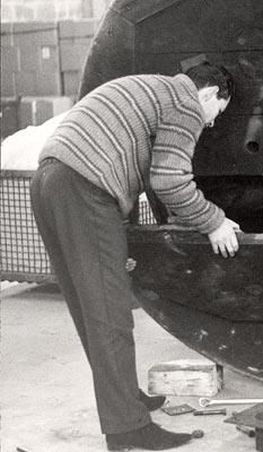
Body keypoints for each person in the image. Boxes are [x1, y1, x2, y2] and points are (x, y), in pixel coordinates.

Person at [30, 62, 239, 451]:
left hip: (48, 180)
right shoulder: (186, 103)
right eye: (217, 115)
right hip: (85, 188)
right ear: (209, 95)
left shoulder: (151, 88)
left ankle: (126, 398)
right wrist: (214, 222)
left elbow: (136, 165)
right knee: (110, 313)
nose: (210, 125)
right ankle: (127, 429)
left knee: (89, 308)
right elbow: (170, 180)